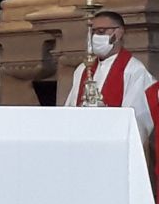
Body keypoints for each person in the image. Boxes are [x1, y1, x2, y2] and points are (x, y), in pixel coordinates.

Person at [64, 11, 155, 142]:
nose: (95, 37)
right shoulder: (83, 69)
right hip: (81, 141)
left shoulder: (133, 70)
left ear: (118, 33)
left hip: (113, 142)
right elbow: (70, 109)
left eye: (101, 31)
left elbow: (136, 119)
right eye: (93, 32)